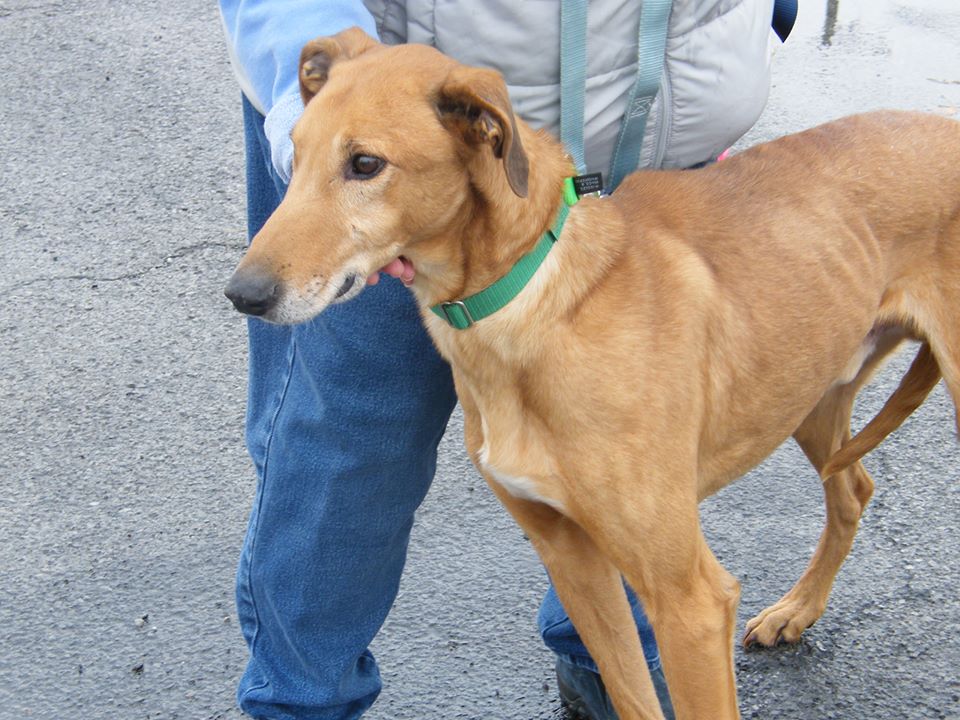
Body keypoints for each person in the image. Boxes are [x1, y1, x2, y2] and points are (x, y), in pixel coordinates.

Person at [218, 2, 790, 718]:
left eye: (360, 167)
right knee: (348, 460)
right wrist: (313, 125)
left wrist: (767, 22)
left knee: (631, 511)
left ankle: (614, 671)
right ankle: (303, 706)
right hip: (421, 116)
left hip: (666, 116)